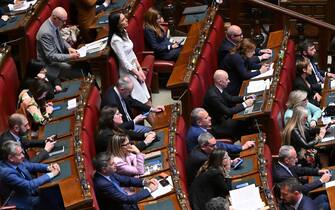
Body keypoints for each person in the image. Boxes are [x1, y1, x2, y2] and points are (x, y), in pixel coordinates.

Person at [0, 140, 60, 210]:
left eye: (22, 152)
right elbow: (29, 185)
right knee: (55, 196)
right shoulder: (6, 173)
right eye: (19, 154)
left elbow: (31, 166)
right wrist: (52, 174)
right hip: (23, 201)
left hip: (29, 191)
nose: (23, 156)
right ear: (10, 158)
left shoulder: (16, 160)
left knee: (54, 190)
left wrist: (48, 167)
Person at [108, 12, 150, 104]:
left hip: (134, 68)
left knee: (147, 97)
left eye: (125, 17)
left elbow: (131, 52)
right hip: (127, 73)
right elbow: (124, 62)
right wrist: (138, 74)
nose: (127, 19)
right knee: (143, 100)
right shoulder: (115, 40)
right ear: (117, 24)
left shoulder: (124, 32)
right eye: (123, 20)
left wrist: (139, 69)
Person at [93, 152, 158, 210]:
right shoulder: (102, 184)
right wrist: (149, 190)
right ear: (104, 169)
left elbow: (127, 180)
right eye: (112, 163)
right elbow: (126, 200)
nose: (115, 164)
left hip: (126, 201)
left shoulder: (108, 172)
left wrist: (144, 182)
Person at [273, 145, 330, 210]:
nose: (297, 160)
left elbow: (301, 170)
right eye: (294, 158)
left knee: (323, 197)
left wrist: (318, 171)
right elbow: (299, 190)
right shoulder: (281, 176)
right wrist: (321, 181)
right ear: (286, 160)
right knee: (325, 205)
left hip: (300, 196)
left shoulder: (285, 164)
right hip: (295, 204)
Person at [203, 69, 255, 139]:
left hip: (224, 118)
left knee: (247, 119)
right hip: (218, 125)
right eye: (227, 79)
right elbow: (228, 112)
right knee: (244, 124)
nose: (229, 81)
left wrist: (245, 98)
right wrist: (245, 104)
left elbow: (230, 98)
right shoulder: (213, 96)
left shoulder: (218, 87)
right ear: (220, 82)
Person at [36, 7, 84, 80]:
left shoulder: (54, 24)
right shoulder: (45, 33)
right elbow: (51, 56)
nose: (65, 23)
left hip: (60, 57)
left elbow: (60, 39)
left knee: (85, 64)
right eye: (63, 21)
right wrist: (70, 56)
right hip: (51, 65)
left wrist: (69, 48)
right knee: (80, 73)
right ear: (55, 18)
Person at [186, 107, 255, 153]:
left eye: (208, 116)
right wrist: (242, 147)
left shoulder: (196, 128)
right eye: (206, 118)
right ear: (199, 122)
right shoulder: (199, 134)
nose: (210, 118)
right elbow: (218, 145)